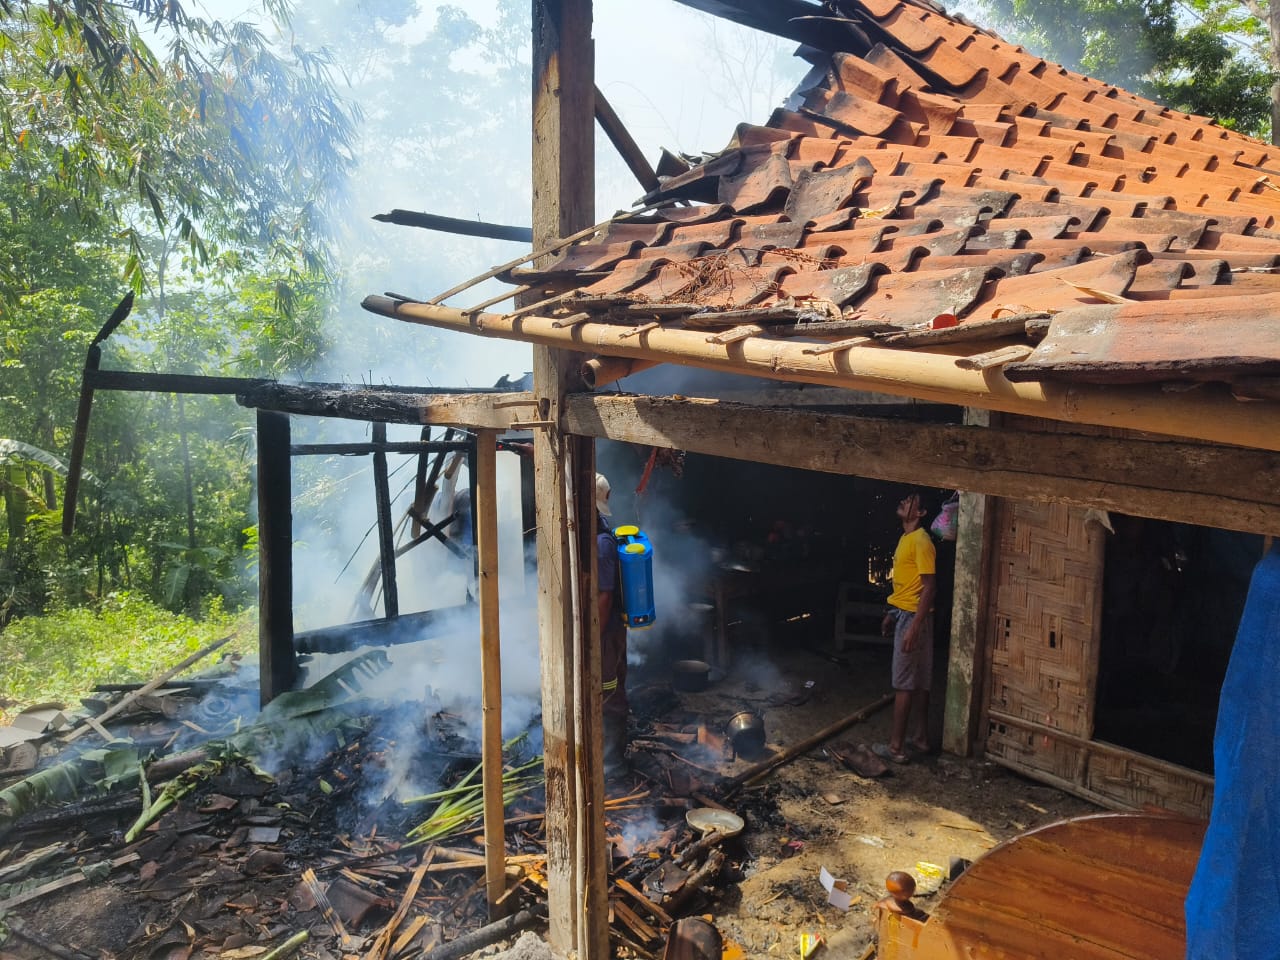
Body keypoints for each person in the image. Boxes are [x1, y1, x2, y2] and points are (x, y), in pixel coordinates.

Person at [875, 491, 936, 765]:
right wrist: (892, 612)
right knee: (920, 682)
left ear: (921, 513)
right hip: (908, 615)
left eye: (910, 501)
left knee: (903, 684)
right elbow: (907, 586)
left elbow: (929, 587)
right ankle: (921, 738)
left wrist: (913, 627)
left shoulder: (921, 541)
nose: (903, 501)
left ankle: (896, 747)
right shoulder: (906, 538)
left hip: (914, 619)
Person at [595, 472, 629, 774]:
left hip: (605, 631)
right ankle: (603, 758)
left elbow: (604, 596)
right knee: (604, 689)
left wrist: (595, 635)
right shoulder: (597, 532)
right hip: (604, 629)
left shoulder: (602, 543)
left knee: (608, 691)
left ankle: (613, 766)